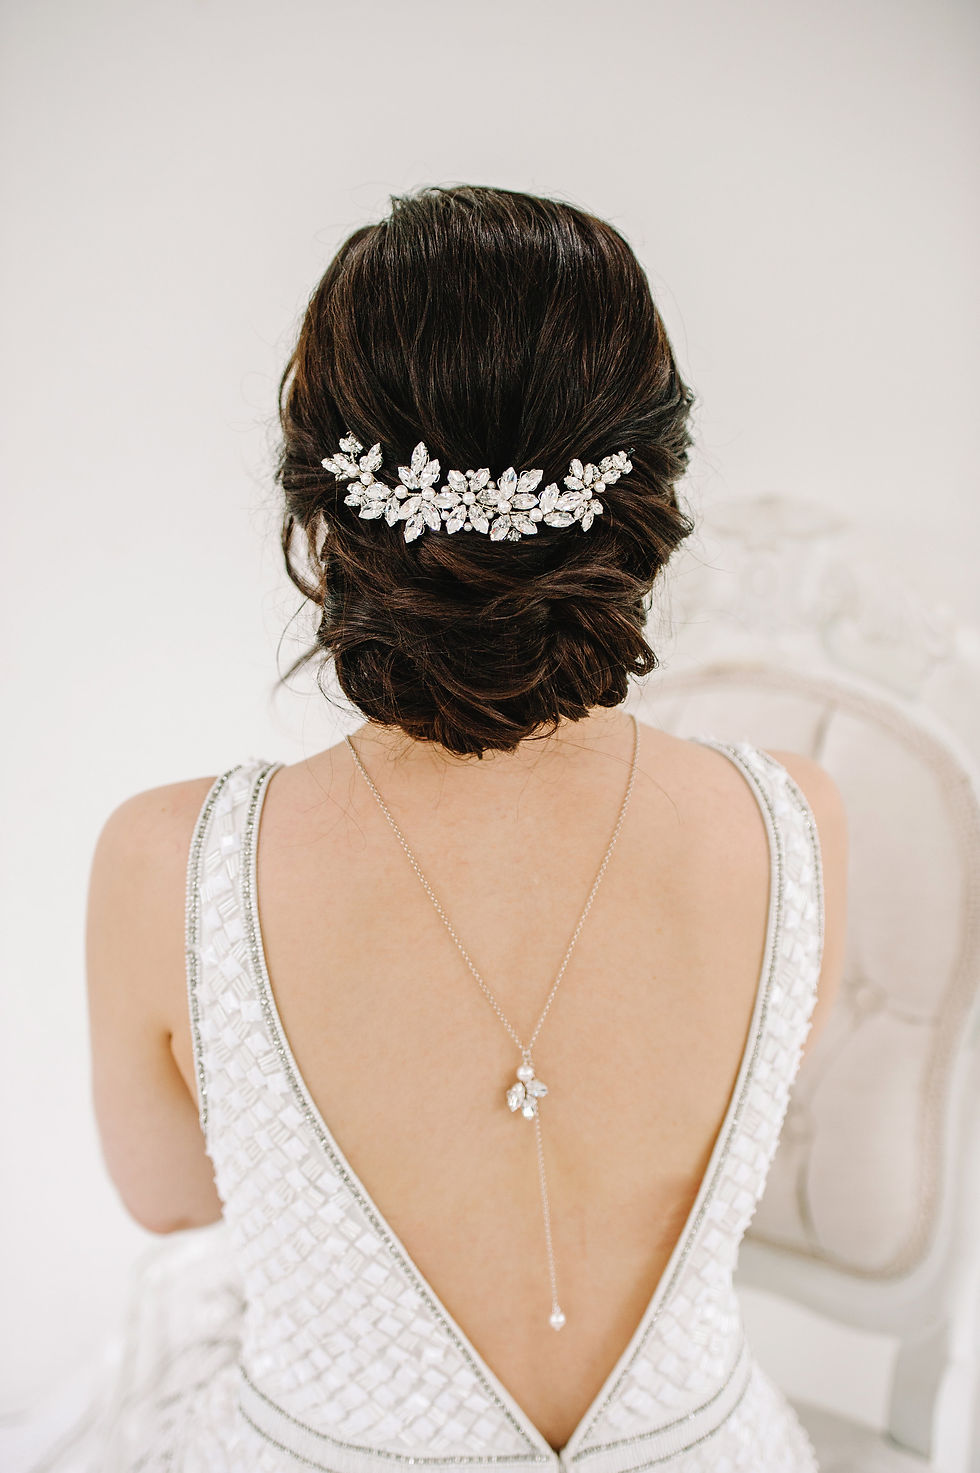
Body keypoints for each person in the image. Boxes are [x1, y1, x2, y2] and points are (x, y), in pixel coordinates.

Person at [74, 185, 846, 1470]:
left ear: (326, 508)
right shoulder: (791, 821)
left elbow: (173, 1199)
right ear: (646, 483)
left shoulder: (170, 861)